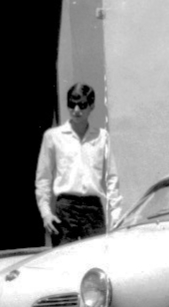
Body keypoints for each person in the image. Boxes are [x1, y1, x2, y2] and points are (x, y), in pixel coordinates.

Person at [35, 83, 122, 245]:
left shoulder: (102, 137)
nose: (76, 110)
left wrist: (116, 214)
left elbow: (111, 178)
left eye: (82, 105)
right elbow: (43, 178)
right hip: (66, 209)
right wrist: (46, 213)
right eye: (71, 104)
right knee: (65, 261)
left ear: (91, 106)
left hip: (93, 209)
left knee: (96, 259)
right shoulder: (53, 137)